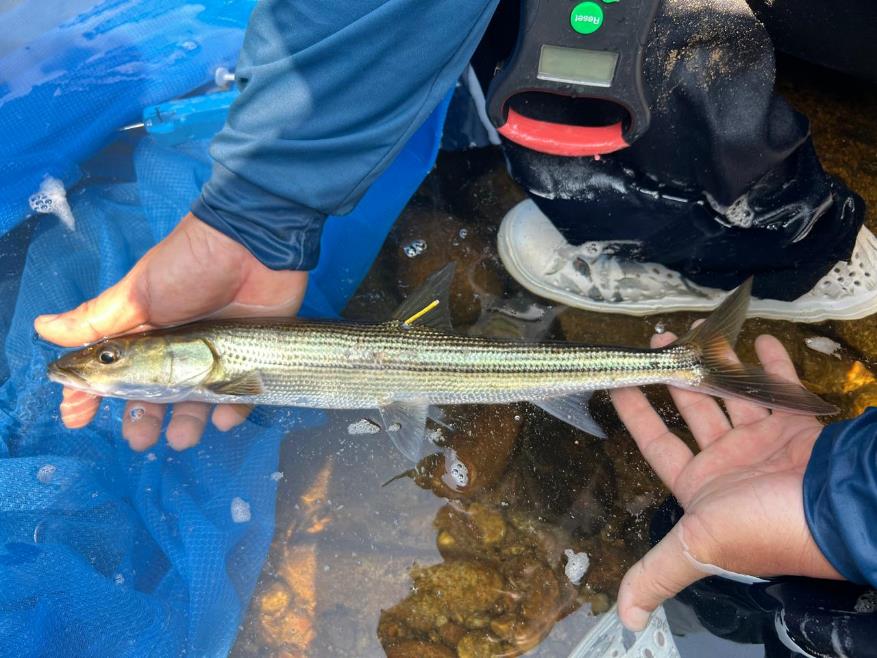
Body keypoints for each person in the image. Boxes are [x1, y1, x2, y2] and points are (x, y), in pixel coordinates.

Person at [33, 0, 877, 638]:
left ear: (185, 357)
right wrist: (256, 212)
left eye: (113, 362)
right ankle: (698, 329)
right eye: (115, 364)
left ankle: (783, 257)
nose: (104, 366)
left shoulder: (229, 359)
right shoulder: (226, 356)